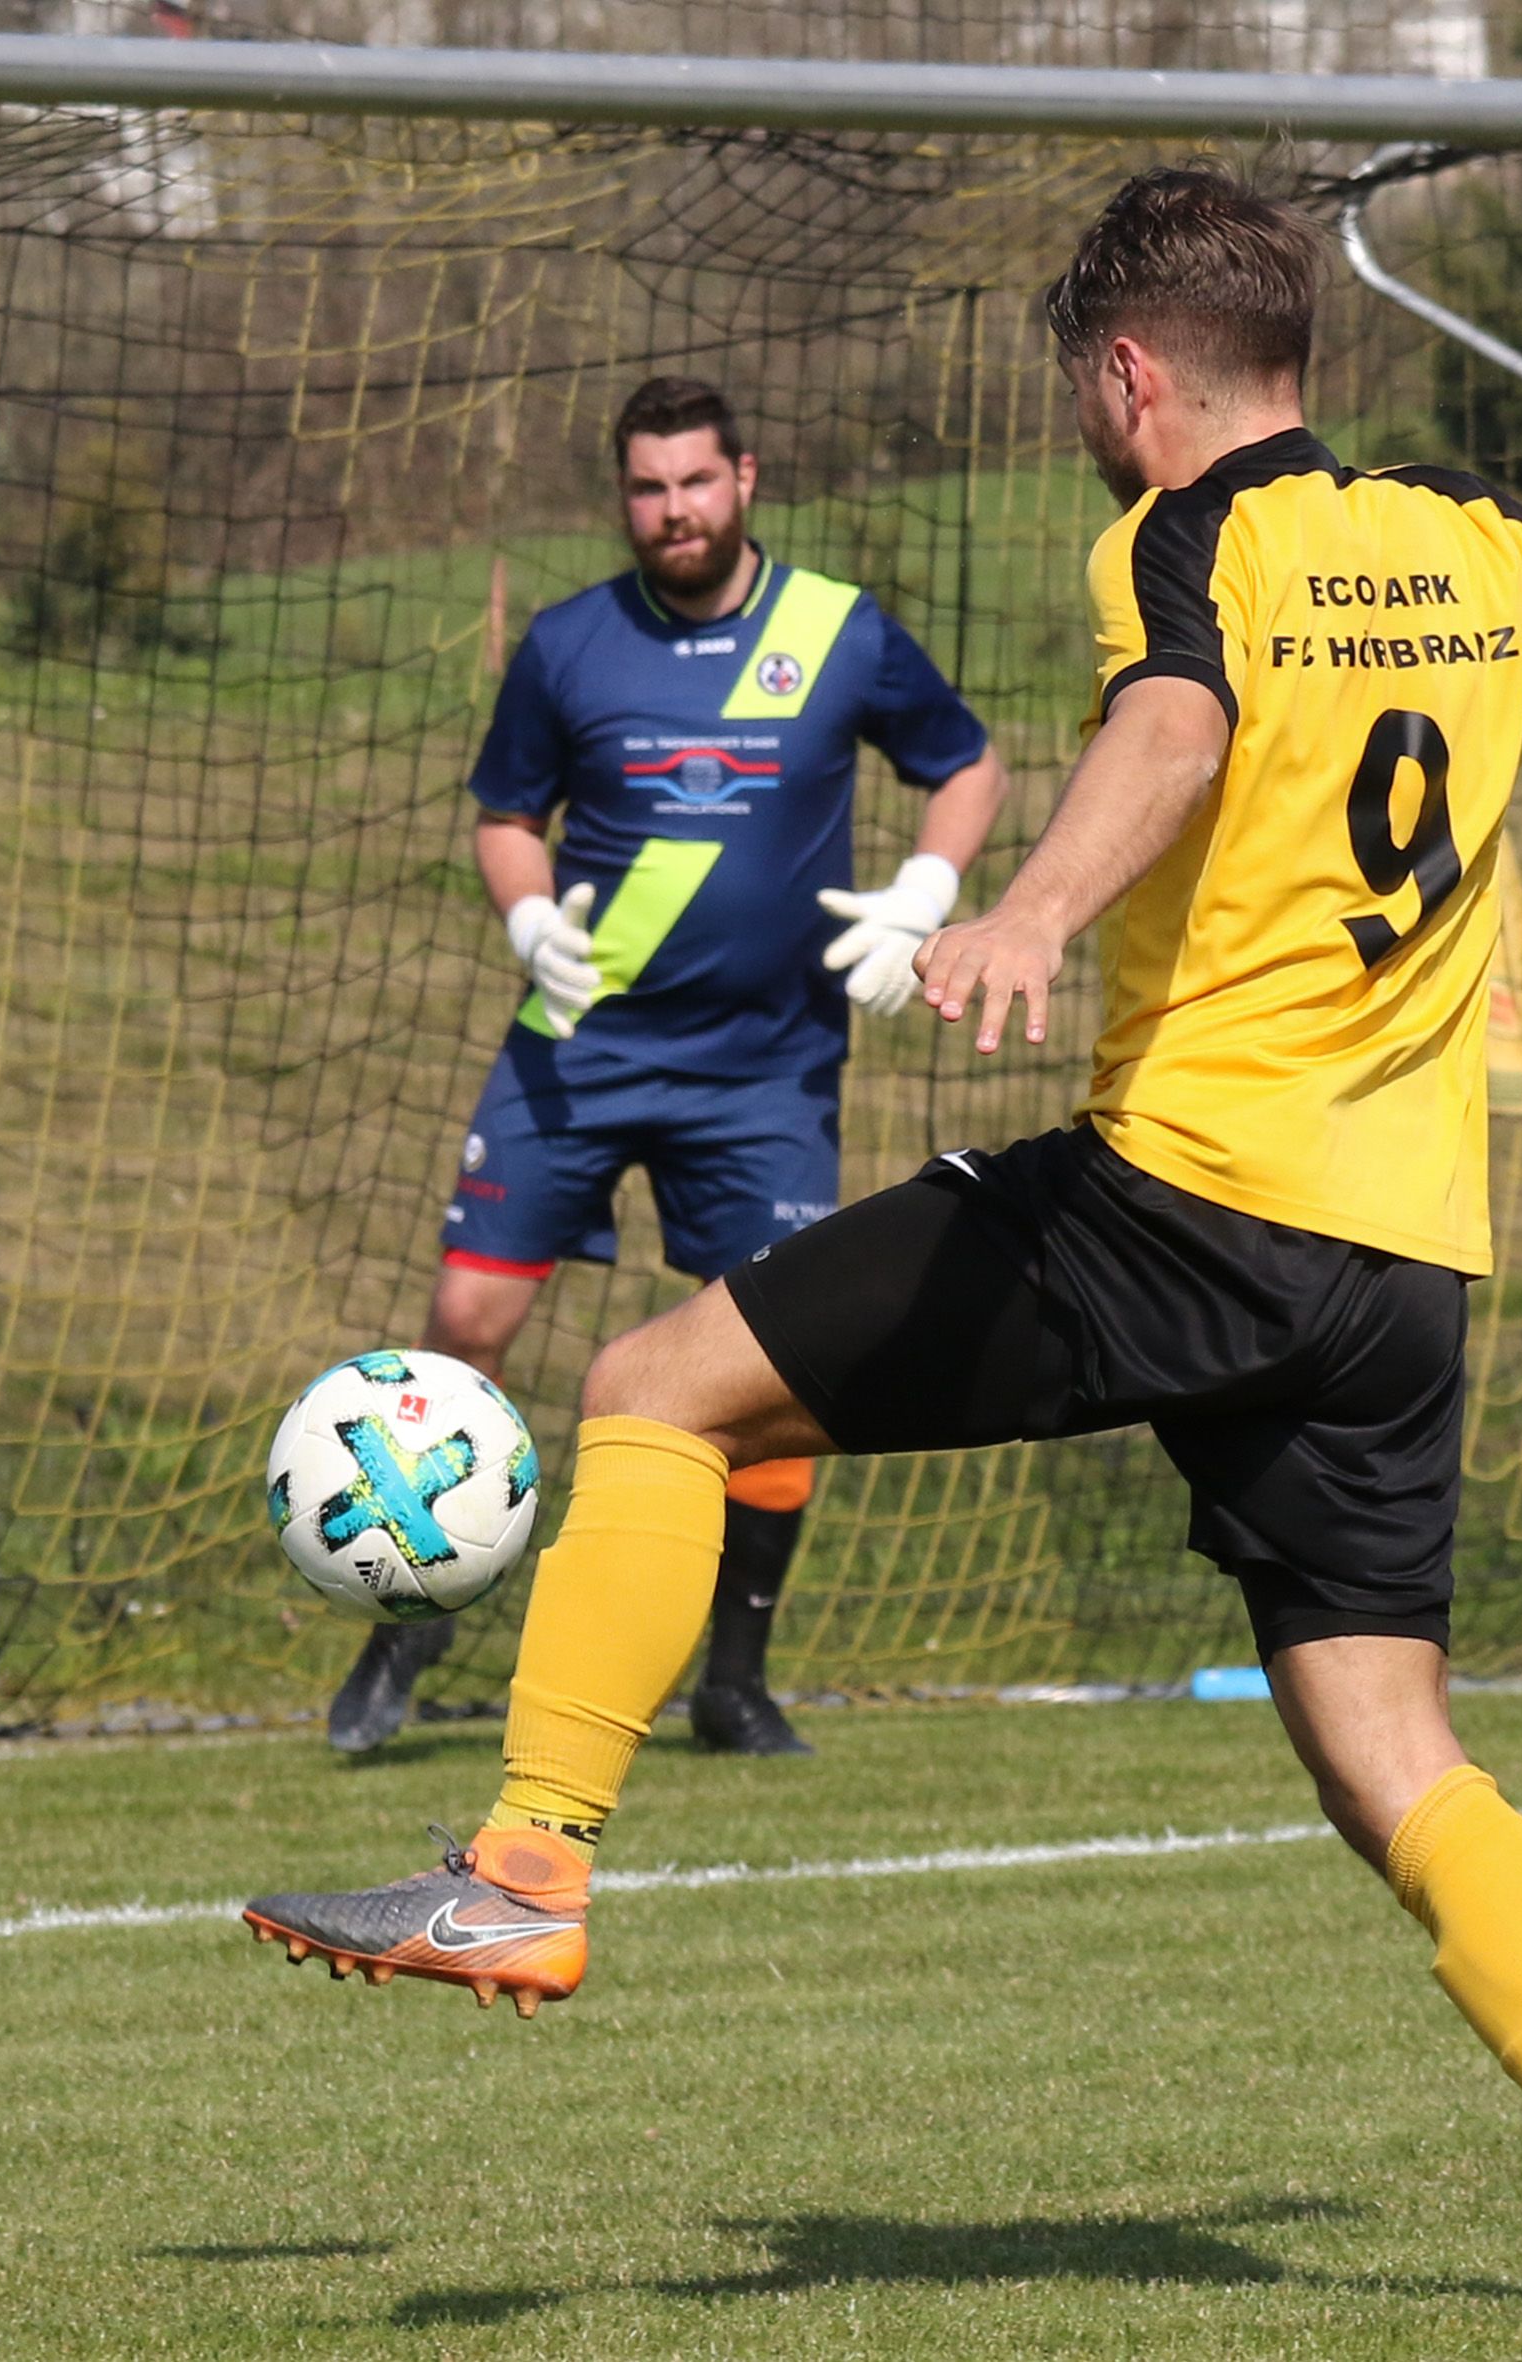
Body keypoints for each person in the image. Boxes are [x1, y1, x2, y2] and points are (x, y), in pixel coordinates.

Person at [244, 166, 1522, 2309]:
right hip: (1401, 1266)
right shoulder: (1473, 540)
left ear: (1130, 376)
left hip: (1187, 1198)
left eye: (1080, 391)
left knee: (653, 1384)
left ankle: (524, 1862)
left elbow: (1177, 718)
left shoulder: (1179, 534)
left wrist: (1028, 910)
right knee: (1390, 1752)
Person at [321, 375, 1010, 1758]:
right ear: (624, 497)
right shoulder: (570, 642)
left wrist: (928, 893)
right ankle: (413, 1617)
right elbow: (505, 816)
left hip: (766, 1073)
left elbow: (970, 766)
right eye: (648, 487)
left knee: (773, 1363)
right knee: (464, 1317)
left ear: (744, 478)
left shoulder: (837, 629)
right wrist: (529, 919)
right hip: (580, 1048)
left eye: (696, 480)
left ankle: (733, 1681)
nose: (674, 509)